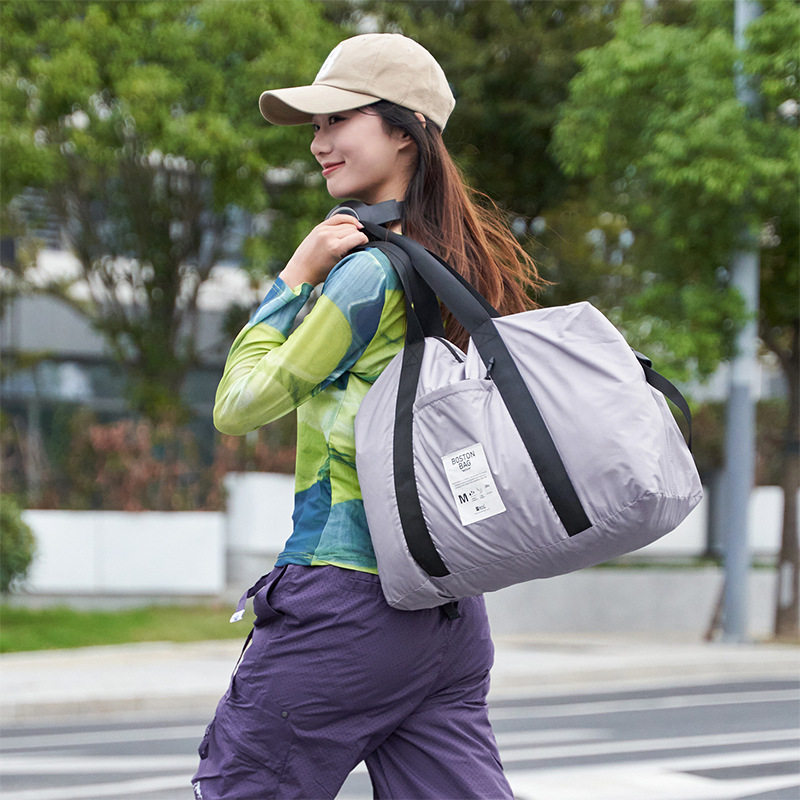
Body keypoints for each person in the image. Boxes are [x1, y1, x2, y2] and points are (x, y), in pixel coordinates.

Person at [192, 32, 542, 800]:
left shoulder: (365, 274)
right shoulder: (461, 263)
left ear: (405, 129)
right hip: (449, 611)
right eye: (314, 127)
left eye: (335, 120)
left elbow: (238, 404)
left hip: (348, 600)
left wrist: (292, 277)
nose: (318, 143)